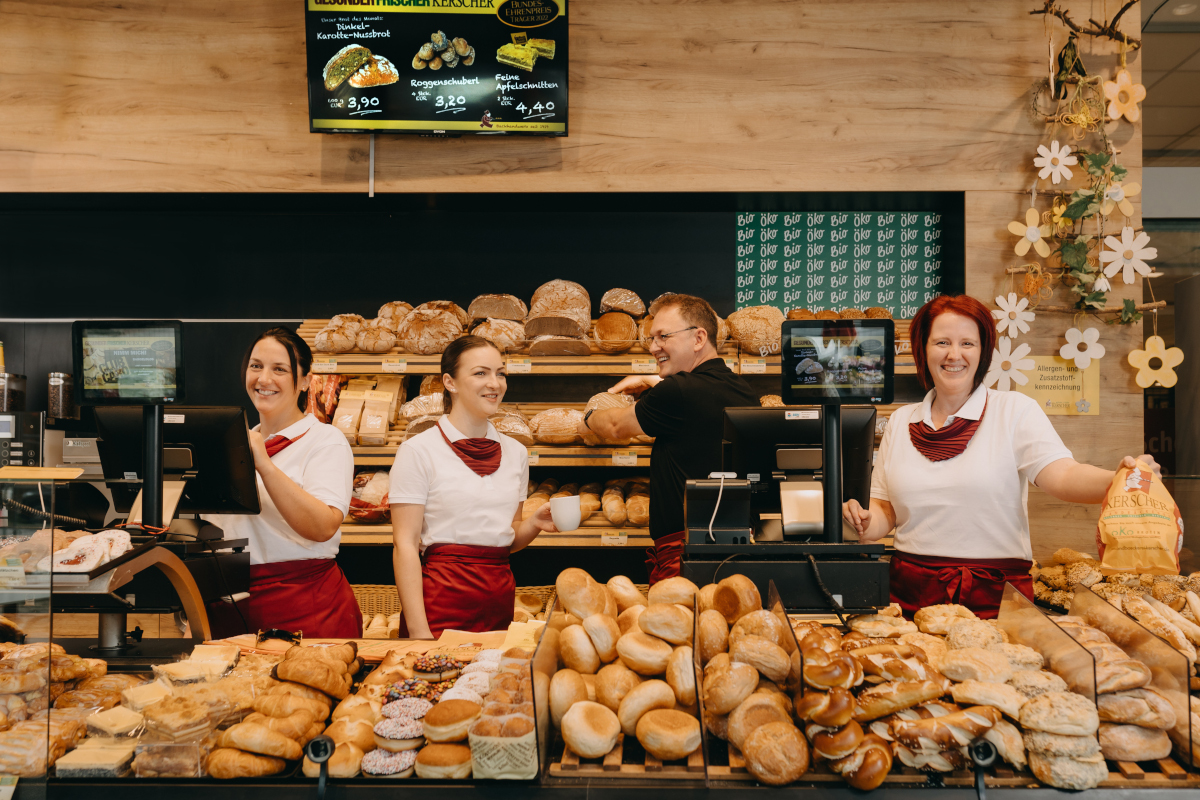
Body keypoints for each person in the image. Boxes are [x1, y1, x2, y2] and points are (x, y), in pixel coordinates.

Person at [842, 294, 1157, 618]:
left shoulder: (1014, 411)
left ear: (983, 352)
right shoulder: (901, 420)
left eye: (967, 343)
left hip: (997, 598)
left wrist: (1118, 478)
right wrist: (864, 522)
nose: (954, 354)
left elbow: (1063, 475)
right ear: (923, 348)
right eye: (942, 342)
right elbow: (885, 510)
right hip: (910, 595)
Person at [389, 335, 557, 639]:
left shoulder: (516, 454)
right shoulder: (418, 451)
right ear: (450, 382)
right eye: (481, 373)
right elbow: (405, 545)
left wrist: (533, 524)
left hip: (498, 603)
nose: (495, 383)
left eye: (501, 373)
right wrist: (418, 631)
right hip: (439, 604)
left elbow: (505, 539)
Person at [581, 295, 757, 584]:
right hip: (735, 553)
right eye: (651, 338)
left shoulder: (677, 392)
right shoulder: (741, 389)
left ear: (699, 338)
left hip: (685, 558)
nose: (653, 347)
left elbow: (614, 426)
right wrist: (654, 381)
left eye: (663, 336)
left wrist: (589, 413)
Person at [208, 327, 362, 638]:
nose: (264, 379)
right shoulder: (228, 443)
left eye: (280, 369)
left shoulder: (325, 441)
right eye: (256, 366)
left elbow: (322, 527)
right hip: (231, 607)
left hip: (306, 607)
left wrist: (263, 465)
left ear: (306, 380)